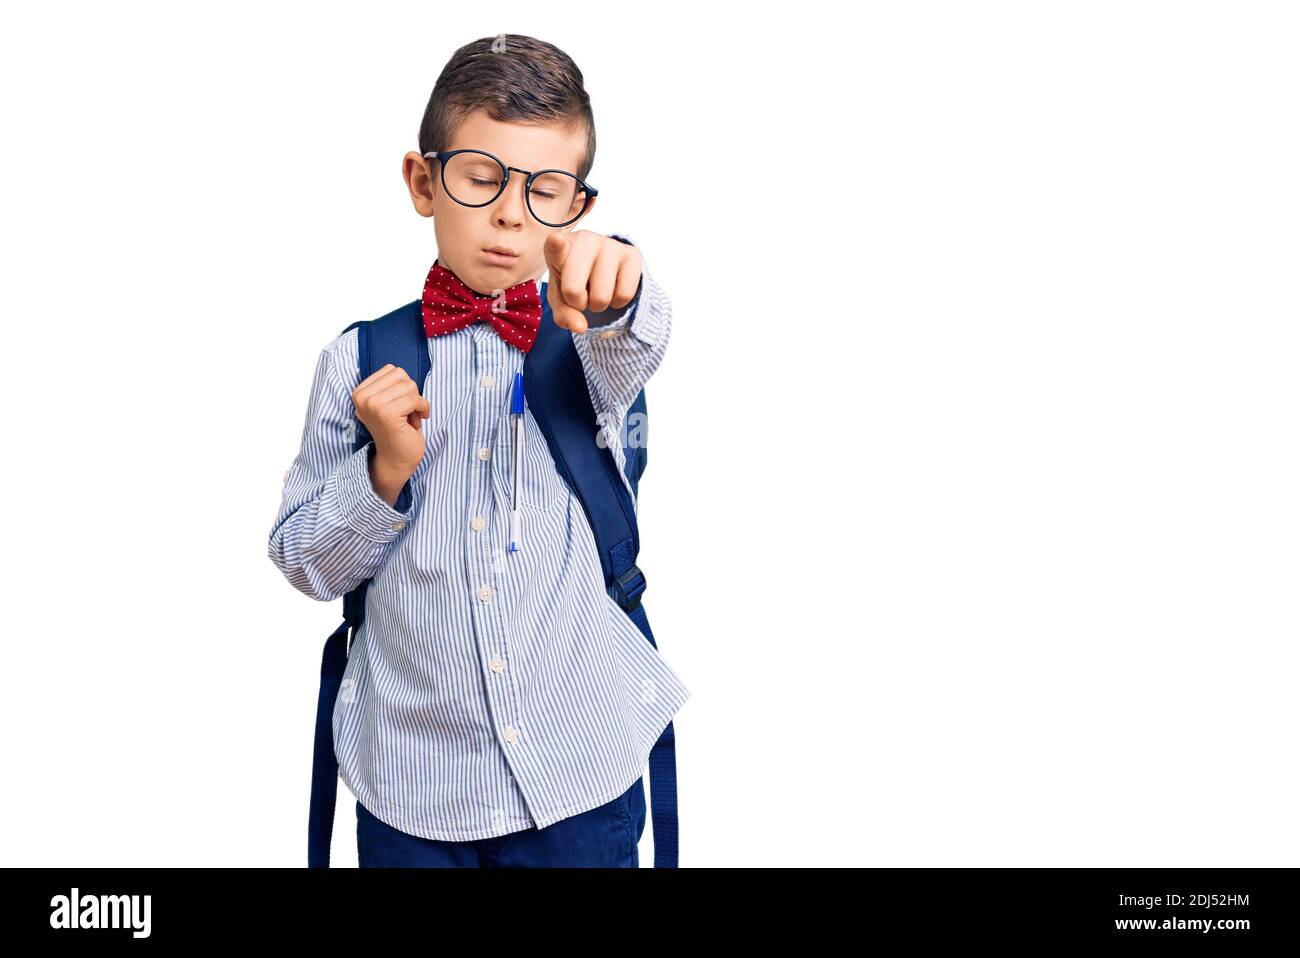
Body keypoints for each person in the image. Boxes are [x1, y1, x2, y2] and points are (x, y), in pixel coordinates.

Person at [267, 33, 690, 867]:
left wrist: (621, 288)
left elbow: (635, 332)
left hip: (581, 776)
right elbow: (303, 562)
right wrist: (383, 472)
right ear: (424, 182)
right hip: (412, 791)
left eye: (546, 191)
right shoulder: (355, 360)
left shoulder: (589, 348)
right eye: (481, 177)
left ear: (576, 208)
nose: (509, 215)